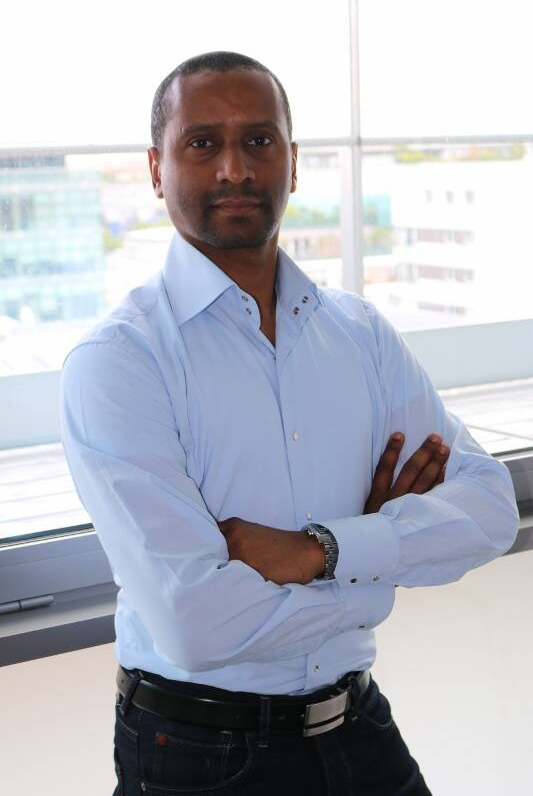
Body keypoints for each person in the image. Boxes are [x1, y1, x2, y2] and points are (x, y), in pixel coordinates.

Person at [59, 51, 519, 795]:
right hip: (199, 754)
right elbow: (196, 625)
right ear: (155, 169)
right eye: (202, 143)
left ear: (294, 162)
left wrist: (318, 551)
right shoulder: (119, 362)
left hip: (358, 724)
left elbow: (491, 508)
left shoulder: (360, 334)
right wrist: (377, 570)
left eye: (259, 140)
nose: (235, 168)